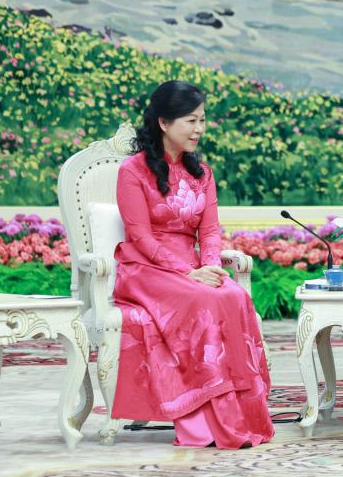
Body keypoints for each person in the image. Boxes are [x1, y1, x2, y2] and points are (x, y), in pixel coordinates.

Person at [111, 80, 274, 449]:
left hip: (194, 268)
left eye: (202, 120)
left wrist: (212, 268)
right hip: (145, 270)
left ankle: (240, 416)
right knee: (206, 301)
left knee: (232, 296)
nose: (199, 129)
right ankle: (203, 421)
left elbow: (211, 231)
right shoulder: (133, 173)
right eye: (191, 120)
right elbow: (141, 238)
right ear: (164, 123)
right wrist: (188, 273)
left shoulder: (203, 174)